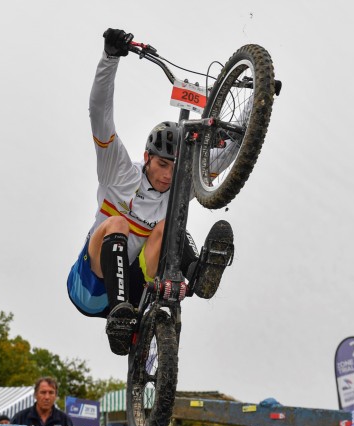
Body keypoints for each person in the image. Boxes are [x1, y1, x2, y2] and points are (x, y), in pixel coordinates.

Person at [67, 28, 235, 355]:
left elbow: (227, 155)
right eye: (161, 164)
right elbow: (99, 115)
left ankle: (198, 274)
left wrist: (259, 102)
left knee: (168, 226)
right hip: (92, 286)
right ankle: (118, 316)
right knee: (117, 224)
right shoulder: (118, 171)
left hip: (137, 286)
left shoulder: (178, 186)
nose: (168, 175)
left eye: (175, 167)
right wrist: (110, 57)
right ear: (147, 158)